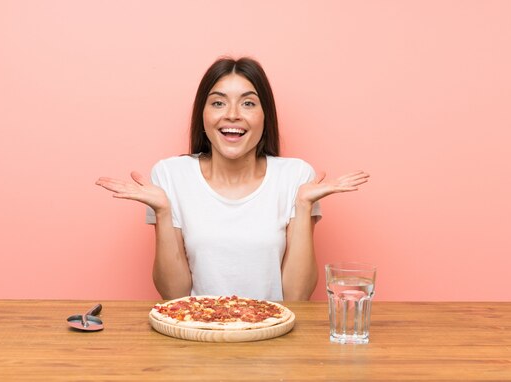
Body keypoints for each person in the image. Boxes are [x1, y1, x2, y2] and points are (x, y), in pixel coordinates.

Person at [96, 57, 369, 301]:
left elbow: (297, 297)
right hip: (198, 336)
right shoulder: (170, 175)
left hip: (273, 342)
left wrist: (303, 205)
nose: (232, 114)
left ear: (265, 116)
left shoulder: (296, 177)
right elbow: (174, 296)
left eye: (248, 103)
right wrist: (163, 212)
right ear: (202, 115)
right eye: (218, 102)